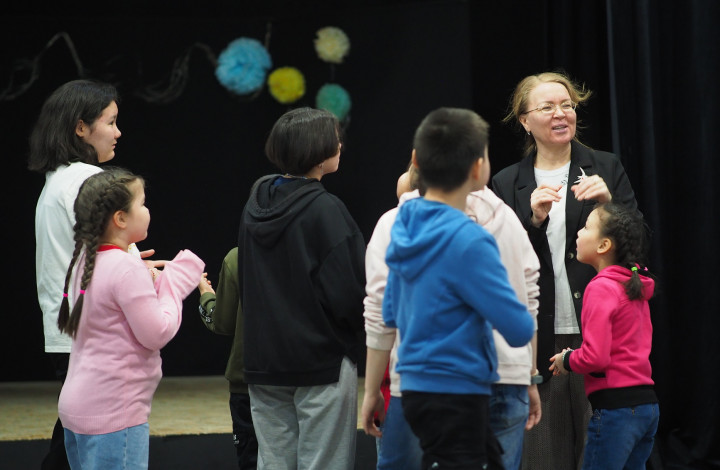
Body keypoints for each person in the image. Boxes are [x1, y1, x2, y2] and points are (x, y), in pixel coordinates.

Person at [492, 71, 639, 470]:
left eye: (567, 105)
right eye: (547, 107)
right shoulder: (507, 182)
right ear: (524, 120)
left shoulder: (605, 166)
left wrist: (612, 207)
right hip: (541, 334)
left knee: (602, 451)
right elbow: (496, 262)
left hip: (602, 330)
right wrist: (533, 222)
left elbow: (639, 247)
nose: (561, 114)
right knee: (543, 455)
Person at [362, 162, 542, 470]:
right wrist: (528, 372)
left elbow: (384, 313)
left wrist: (371, 390)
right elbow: (522, 317)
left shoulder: (397, 227)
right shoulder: (493, 226)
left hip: (421, 385)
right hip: (484, 381)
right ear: (477, 167)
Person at [238, 107, 366, 469]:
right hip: (321, 362)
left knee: (274, 463)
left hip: (265, 362)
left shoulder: (253, 206)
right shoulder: (326, 209)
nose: (340, 144)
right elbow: (350, 292)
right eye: (334, 138)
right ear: (318, 149)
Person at [56, 168, 204, 469]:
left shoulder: (86, 259)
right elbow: (158, 332)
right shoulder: (125, 268)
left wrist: (148, 277)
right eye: (143, 203)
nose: (147, 210)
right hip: (113, 414)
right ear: (120, 219)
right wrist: (174, 282)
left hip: (78, 409)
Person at [28, 79, 126, 470]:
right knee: (88, 445)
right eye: (111, 122)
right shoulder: (87, 180)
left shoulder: (58, 180)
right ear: (80, 127)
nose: (118, 132)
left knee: (72, 439)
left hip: (70, 330)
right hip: (92, 333)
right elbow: (110, 256)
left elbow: (89, 254)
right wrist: (138, 270)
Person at [549, 202, 658, 469]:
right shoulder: (633, 285)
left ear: (603, 246)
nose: (578, 233)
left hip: (617, 410)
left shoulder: (600, 288)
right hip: (647, 407)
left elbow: (596, 357)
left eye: (586, 227)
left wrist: (567, 359)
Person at [197, 249, 258, 469]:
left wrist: (206, 296)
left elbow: (223, 322)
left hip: (250, 383)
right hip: (303, 379)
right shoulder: (315, 246)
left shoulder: (238, 257)